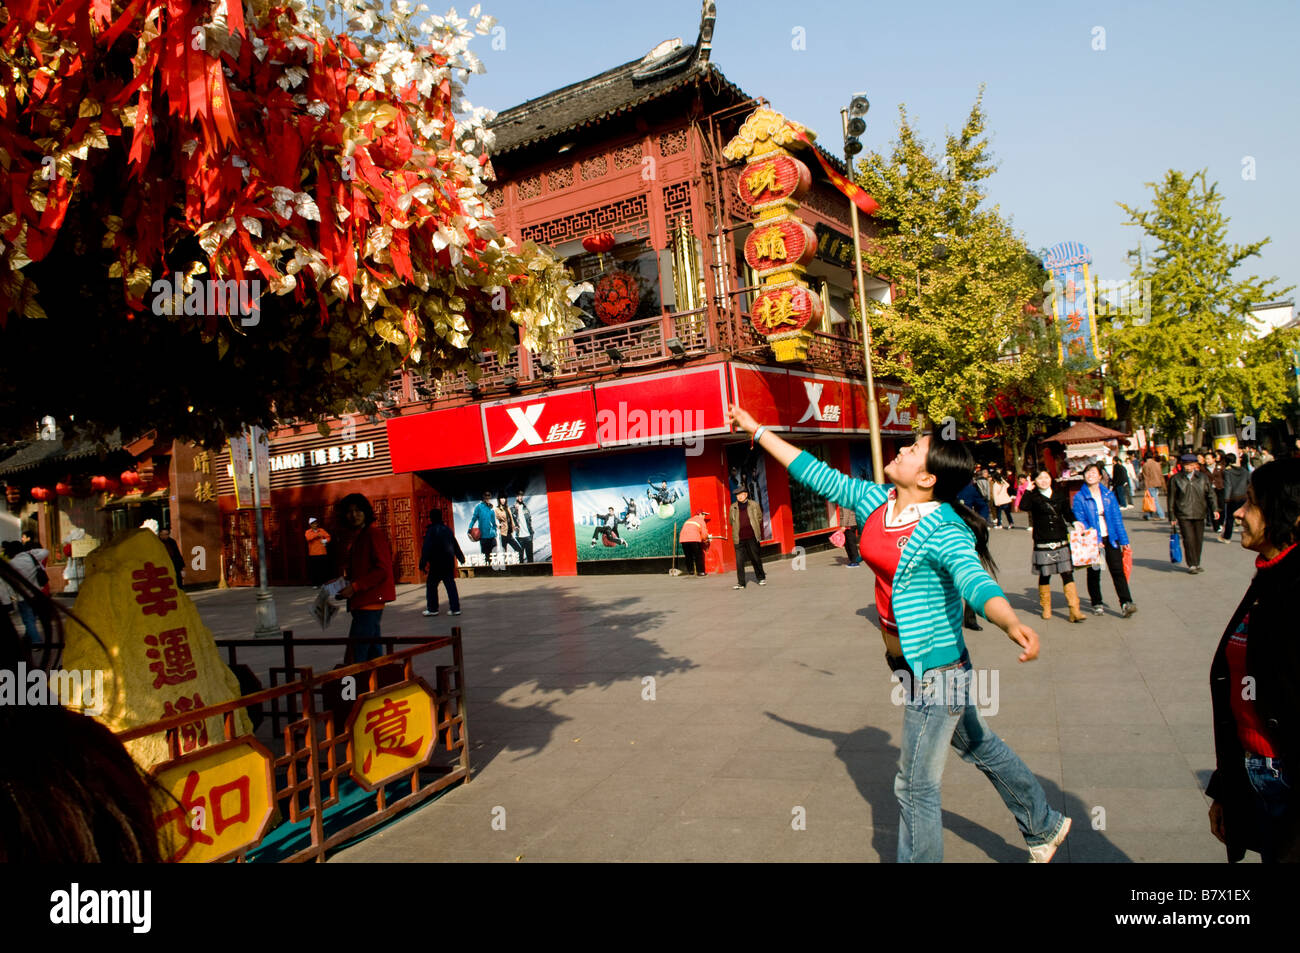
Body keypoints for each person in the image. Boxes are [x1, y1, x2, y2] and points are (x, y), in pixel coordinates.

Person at [729, 404, 1070, 863]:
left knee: (914, 784)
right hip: (903, 662)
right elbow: (813, 471)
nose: (903, 450)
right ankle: (1044, 823)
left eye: (913, 450)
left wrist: (1009, 621)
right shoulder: (876, 502)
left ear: (928, 478)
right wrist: (757, 429)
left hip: (937, 671)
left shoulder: (945, 529)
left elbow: (974, 580)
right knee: (978, 744)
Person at [1207, 458, 1300, 863]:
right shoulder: (1268, 574)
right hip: (1258, 774)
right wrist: (1225, 788)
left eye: (1251, 503)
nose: (1239, 513)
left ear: (1287, 513)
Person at [334, 494, 395, 664]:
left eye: (358, 510)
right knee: (373, 652)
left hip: (370, 600)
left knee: (356, 654)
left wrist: (355, 587)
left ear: (366, 512)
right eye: (349, 511)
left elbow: (382, 569)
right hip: (362, 601)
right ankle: (377, 685)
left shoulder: (372, 534)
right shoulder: (360, 536)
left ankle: (353, 689)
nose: (354, 515)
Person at [1019, 470, 1086, 623]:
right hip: (1043, 540)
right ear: (1035, 480)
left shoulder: (1060, 494)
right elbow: (1023, 506)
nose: (1044, 480)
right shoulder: (1034, 497)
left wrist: (1075, 522)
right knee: (1045, 574)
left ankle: (1074, 609)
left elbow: (1067, 512)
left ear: (1051, 479)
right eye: (1040, 478)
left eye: (1046, 477)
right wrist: (1028, 490)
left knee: (1067, 573)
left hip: (1060, 538)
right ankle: (1046, 608)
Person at [1072, 463, 1137, 617]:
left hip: (1111, 537)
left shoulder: (1108, 495)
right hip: (1092, 540)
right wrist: (1094, 537)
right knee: (1095, 572)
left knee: (1117, 570)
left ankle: (1126, 602)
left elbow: (1116, 518)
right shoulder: (1080, 497)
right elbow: (1079, 518)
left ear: (1100, 476)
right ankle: (1097, 602)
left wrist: (1123, 539)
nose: (1090, 475)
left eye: (1094, 472)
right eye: (1088, 472)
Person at [1168, 453, 1219, 574]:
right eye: (1186, 465)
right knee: (1188, 539)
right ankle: (1191, 564)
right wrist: (1172, 516)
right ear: (1182, 465)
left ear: (1195, 465)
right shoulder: (1176, 479)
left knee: (1198, 539)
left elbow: (1211, 494)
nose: (1188, 467)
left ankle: (1196, 562)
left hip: (1199, 512)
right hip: (1183, 513)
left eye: (1191, 465)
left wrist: (1215, 509)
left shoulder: (1202, 478)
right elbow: (1171, 499)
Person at [419, 510, 464, 617]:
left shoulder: (431, 531)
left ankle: (433, 608)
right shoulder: (447, 530)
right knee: (450, 585)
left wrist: (422, 562)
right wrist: (460, 557)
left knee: (431, 585)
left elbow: (426, 548)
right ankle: (455, 609)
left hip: (436, 564)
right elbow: (455, 544)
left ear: (431, 518)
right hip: (448, 562)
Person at [9, 539, 49, 645]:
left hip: (23, 596)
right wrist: (31, 552)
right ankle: (29, 636)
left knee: (28, 619)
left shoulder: (12, 563)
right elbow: (46, 551)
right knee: (32, 618)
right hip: (36, 593)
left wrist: (10, 597)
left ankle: (36, 640)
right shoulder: (30, 557)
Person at [730, 487, 765, 589]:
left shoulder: (754, 505)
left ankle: (761, 578)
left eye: (741, 494)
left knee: (755, 558)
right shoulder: (733, 507)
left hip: (751, 537)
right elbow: (731, 521)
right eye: (737, 495)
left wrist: (754, 528)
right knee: (739, 561)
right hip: (739, 538)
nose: (739, 497)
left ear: (746, 495)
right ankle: (741, 583)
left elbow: (759, 517)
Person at [1221, 453, 1249, 543]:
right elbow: (1249, 481)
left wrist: (1226, 498)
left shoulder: (1227, 471)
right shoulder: (1244, 470)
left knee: (1229, 518)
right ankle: (1250, 534)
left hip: (1233, 497)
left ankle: (1227, 537)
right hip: (1244, 496)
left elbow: (1228, 485)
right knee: (1246, 516)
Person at [468, 490, 499, 565]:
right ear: (483, 497)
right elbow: (474, 518)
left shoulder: (491, 508)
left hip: (492, 536)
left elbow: (494, 522)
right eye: (486, 496)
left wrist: (495, 531)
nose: (487, 498)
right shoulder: (479, 507)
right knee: (486, 557)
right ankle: (487, 572)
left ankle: (495, 572)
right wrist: (469, 528)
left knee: (494, 556)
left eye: (489, 496)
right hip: (483, 536)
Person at [678, 511, 710, 576]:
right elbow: (704, 534)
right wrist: (705, 541)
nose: (704, 516)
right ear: (700, 514)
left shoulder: (689, 520)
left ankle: (691, 571)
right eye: (704, 515)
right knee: (698, 555)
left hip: (683, 539)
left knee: (688, 556)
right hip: (694, 539)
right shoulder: (701, 521)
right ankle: (701, 572)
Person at [496, 496, 524, 565]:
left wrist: (514, 527)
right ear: (499, 500)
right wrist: (498, 525)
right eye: (501, 498)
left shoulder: (507, 508)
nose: (503, 500)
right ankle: (505, 571)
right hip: (503, 534)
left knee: (519, 550)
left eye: (504, 498)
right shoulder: (497, 509)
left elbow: (511, 519)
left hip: (509, 534)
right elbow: (493, 519)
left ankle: (521, 566)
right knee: (504, 554)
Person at [305, 517, 332, 587]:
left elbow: (328, 537)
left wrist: (326, 540)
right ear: (310, 525)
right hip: (313, 554)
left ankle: (323, 583)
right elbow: (308, 538)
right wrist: (317, 535)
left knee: (323, 569)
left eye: (315, 523)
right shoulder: (308, 532)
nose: (315, 525)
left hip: (322, 552)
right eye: (313, 524)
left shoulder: (322, 530)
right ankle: (315, 584)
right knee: (314, 570)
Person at [1141, 452, 1167, 521]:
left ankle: (1161, 514)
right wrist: (1164, 486)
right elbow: (1161, 475)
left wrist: (1146, 487)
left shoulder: (1145, 465)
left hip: (1150, 484)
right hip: (1158, 483)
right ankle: (1149, 515)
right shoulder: (1157, 464)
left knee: (1153, 500)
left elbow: (1146, 477)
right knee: (1152, 499)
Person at [511, 493, 535, 563]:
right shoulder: (513, 509)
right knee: (520, 559)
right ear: (516, 497)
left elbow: (529, 520)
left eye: (521, 496)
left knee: (530, 558)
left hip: (528, 536)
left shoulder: (525, 508)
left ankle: (531, 573)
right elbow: (511, 520)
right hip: (519, 537)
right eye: (518, 496)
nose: (520, 497)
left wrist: (531, 533)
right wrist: (516, 510)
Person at [1208, 456, 1226, 533]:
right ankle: (1216, 525)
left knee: (1221, 506)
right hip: (1209, 490)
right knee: (1212, 507)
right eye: (1206, 458)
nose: (1207, 460)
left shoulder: (1220, 467)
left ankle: (1221, 522)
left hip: (1220, 489)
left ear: (1213, 459)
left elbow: (1225, 477)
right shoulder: (1203, 469)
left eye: (1208, 458)